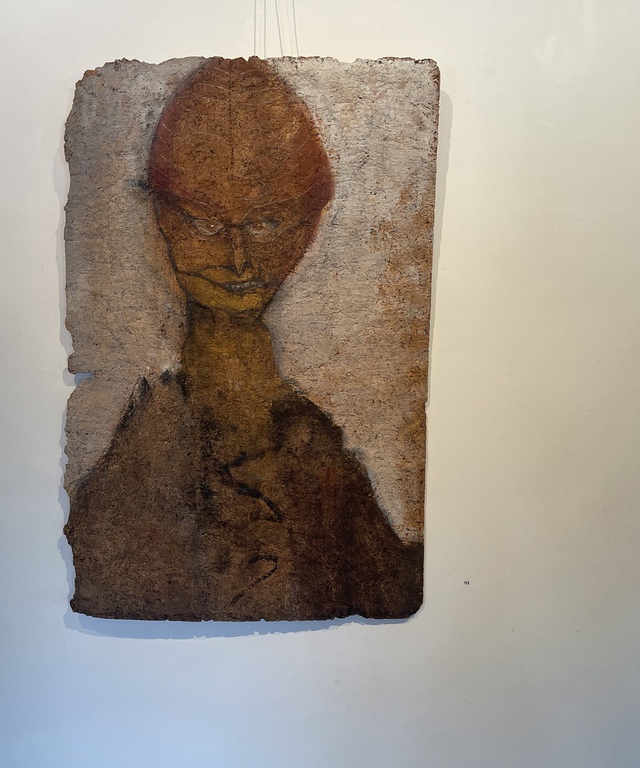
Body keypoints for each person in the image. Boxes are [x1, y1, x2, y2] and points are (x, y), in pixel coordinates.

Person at [65, 57, 422, 621]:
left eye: (266, 223)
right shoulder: (142, 460)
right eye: (206, 222)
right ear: (163, 217)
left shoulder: (315, 451)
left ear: (308, 226)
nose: (237, 259)